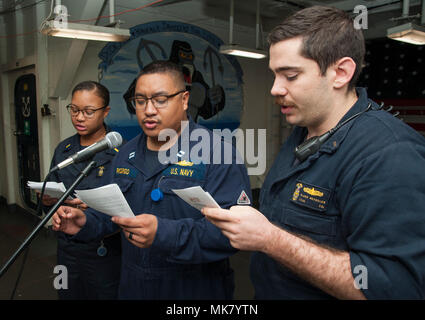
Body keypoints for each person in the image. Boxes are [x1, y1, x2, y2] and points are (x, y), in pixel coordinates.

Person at [202, 5, 425, 300]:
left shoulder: (391, 155)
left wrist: (271, 239)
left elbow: (392, 288)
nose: (275, 89)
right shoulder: (305, 129)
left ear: (341, 72)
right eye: (274, 75)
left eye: (290, 75)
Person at [51, 60, 252, 299]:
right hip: (134, 285)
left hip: (192, 288)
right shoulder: (126, 154)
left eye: (160, 100)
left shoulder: (217, 153)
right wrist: (85, 221)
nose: (148, 110)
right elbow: (115, 213)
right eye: (140, 100)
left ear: (185, 99)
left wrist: (162, 233)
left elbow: (234, 233)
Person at [42, 81, 123, 299]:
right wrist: (48, 201)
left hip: (104, 249)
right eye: (75, 110)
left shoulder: (122, 153)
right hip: (66, 249)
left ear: (105, 111)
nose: (79, 117)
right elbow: (49, 191)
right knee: (66, 293)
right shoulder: (64, 149)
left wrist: (92, 208)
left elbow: (130, 206)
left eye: (88, 111)